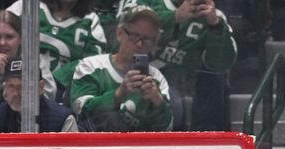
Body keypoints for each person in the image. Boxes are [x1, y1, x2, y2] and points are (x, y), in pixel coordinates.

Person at [70, 6, 172, 132]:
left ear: (154, 44)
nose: (139, 44)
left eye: (147, 39)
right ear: (120, 34)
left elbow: (167, 129)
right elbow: (82, 113)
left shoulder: (157, 78)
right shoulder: (90, 66)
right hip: (93, 148)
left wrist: (157, 102)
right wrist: (118, 94)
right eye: (134, 36)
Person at [150, 0, 237, 131]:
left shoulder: (215, 17)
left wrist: (215, 26)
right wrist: (175, 16)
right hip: (148, 80)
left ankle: (206, 137)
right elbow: (124, 33)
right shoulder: (149, 4)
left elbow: (222, 64)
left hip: (187, 86)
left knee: (215, 78)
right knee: (173, 104)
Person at [0, 57, 78, 133]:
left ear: (41, 87)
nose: (17, 93)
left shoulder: (63, 120)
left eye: (24, 86)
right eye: (11, 86)